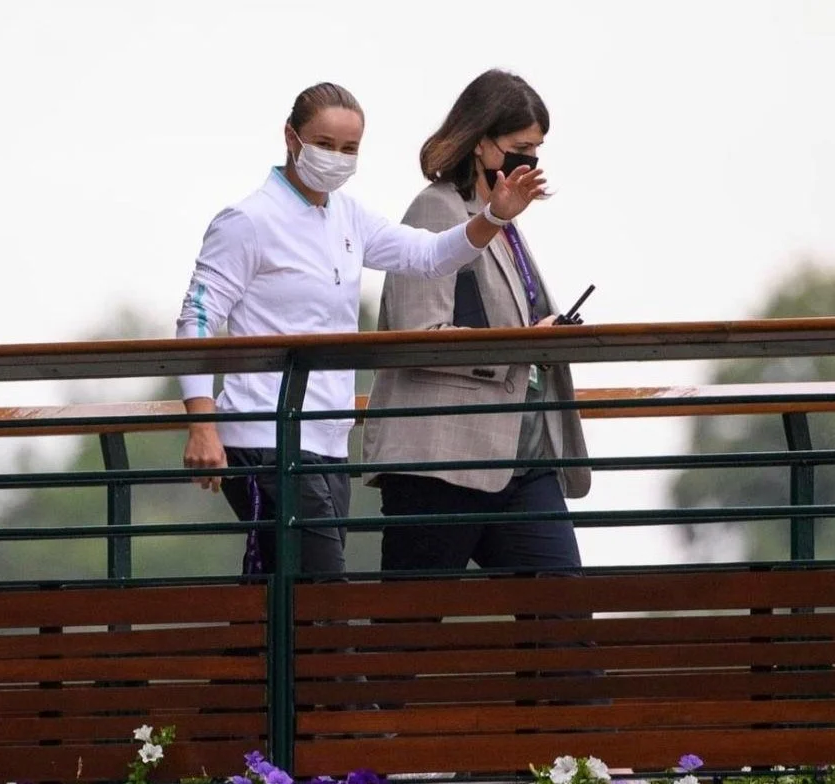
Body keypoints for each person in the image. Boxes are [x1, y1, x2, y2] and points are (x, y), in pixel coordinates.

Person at [175, 81, 547, 580]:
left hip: (329, 440)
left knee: (284, 596)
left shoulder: (348, 214)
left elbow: (430, 255)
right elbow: (197, 316)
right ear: (291, 137)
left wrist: (494, 215)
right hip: (267, 435)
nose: (337, 158)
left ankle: (239, 659)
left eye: (349, 149)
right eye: (325, 144)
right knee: (321, 598)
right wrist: (201, 422)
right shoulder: (248, 220)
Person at [361, 69, 591, 575]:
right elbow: (421, 335)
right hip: (441, 460)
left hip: (522, 460)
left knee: (566, 616)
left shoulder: (504, 223)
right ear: (482, 145)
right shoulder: (436, 208)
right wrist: (522, 345)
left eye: (538, 148)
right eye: (520, 146)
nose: (531, 161)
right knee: (410, 631)